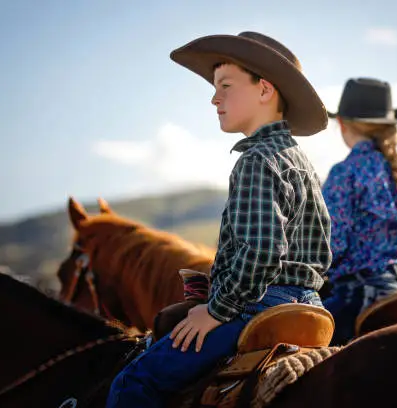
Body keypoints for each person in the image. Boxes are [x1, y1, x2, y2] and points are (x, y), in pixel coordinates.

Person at [106, 31, 333, 407]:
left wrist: (215, 311)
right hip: (309, 303)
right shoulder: (301, 160)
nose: (214, 98)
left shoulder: (257, 160)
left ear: (265, 90)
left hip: (259, 304)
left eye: (226, 85)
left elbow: (262, 251)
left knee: (134, 381)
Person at [322, 77, 397, 346]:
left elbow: (332, 244)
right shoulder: (393, 169)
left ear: (342, 125)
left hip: (359, 291)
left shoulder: (344, 172)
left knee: (300, 344)